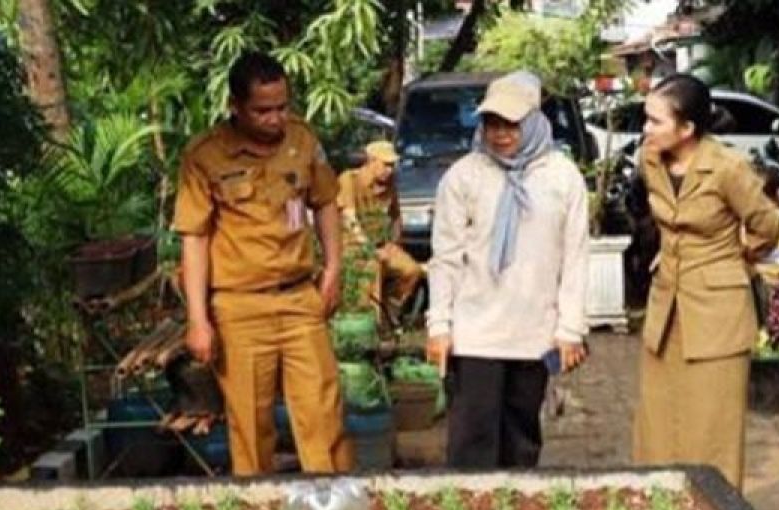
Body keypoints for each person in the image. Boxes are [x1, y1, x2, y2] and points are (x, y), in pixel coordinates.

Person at [173, 51, 353, 475]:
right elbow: (194, 239)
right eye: (262, 110)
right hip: (239, 308)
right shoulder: (205, 156)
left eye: (282, 107)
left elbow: (325, 203)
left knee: (323, 413)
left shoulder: (303, 141)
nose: (275, 118)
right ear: (235, 106)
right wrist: (198, 319)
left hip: (299, 300)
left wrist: (332, 268)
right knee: (250, 426)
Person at [425, 71, 589, 468]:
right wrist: (439, 326)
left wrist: (570, 330)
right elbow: (445, 256)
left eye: (511, 124)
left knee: (521, 443)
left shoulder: (562, 178)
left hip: (533, 332)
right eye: (492, 123)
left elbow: (575, 257)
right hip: (474, 333)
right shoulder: (464, 176)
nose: (500, 134)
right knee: (471, 443)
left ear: (533, 121)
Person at [632, 74, 779, 491]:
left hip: (718, 310)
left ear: (687, 129)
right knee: (658, 420)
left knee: (713, 424)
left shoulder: (728, 168)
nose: (646, 129)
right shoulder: (649, 158)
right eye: (646, 119)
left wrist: (739, 257)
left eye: (655, 122)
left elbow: (767, 225)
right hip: (667, 305)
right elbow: (662, 217)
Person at [337, 140, 424, 321]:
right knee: (373, 268)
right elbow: (349, 219)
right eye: (386, 165)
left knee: (412, 270)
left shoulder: (390, 185)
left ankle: (392, 309)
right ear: (371, 161)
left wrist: (394, 244)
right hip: (354, 246)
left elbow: (395, 218)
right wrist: (370, 249)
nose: (390, 170)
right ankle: (372, 322)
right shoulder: (349, 180)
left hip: (381, 244)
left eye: (392, 165)